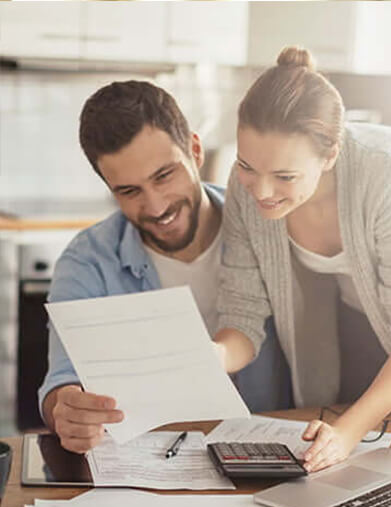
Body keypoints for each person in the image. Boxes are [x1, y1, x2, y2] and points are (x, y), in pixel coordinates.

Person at [213, 46, 391, 473]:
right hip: (369, 323)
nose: (261, 191)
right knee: (365, 468)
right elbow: (243, 314)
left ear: (330, 155)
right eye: (247, 166)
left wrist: (349, 431)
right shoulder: (246, 186)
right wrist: (211, 358)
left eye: (284, 176)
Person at [38, 80, 291, 454]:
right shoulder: (88, 261)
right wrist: (67, 410)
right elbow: (62, 381)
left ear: (195, 149)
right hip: (150, 464)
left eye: (163, 176)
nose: (156, 207)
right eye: (129, 191)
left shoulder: (266, 228)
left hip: (273, 456)